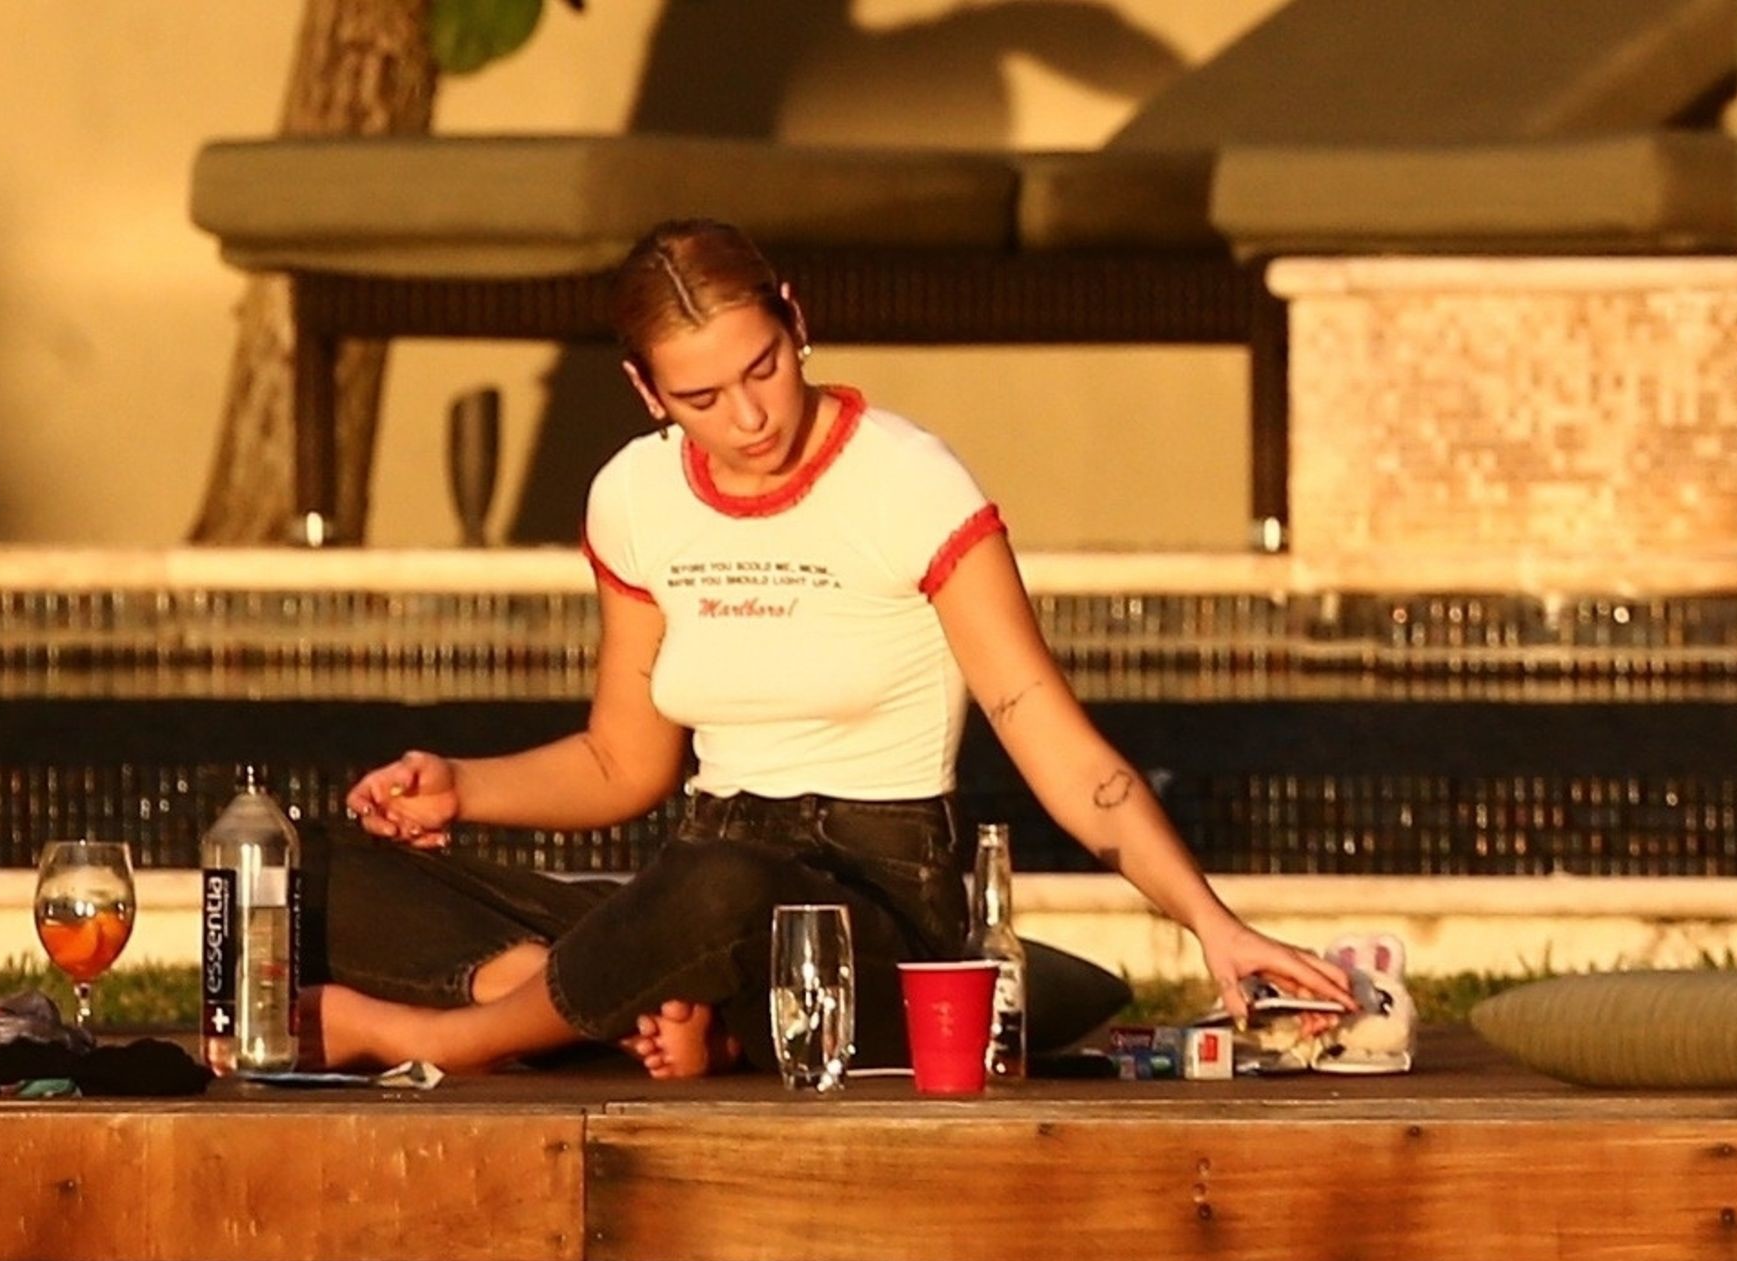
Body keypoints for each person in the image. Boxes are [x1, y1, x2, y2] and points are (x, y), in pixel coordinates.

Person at [307, 218, 1354, 1078]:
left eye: (761, 367)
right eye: (701, 398)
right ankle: (625, 1005)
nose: (748, 416)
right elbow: (623, 761)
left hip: (874, 903)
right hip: (698, 876)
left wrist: (1213, 924)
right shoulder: (634, 494)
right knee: (313, 866)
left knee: (719, 890)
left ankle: (453, 1034)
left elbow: (1052, 736)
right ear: (647, 391)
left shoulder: (907, 480)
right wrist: (461, 787)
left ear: (796, 321)